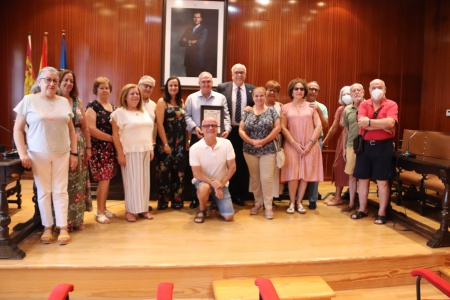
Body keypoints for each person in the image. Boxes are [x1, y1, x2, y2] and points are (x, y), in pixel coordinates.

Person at [13, 66, 78, 245]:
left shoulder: (64, 102)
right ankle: (47, 227)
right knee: (44, 191)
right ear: (39, 82)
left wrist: (74, 153)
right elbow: (17, 130)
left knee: (60, 190)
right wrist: (22, 153)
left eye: (55, 80)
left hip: (62, 152)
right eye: (47, 80)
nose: (51, 83)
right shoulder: (29, 100)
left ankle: (62, 226)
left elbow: (71, 130)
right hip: (37, 153)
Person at [351, 79, 398, 225]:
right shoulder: (364, 104)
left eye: (379, 87)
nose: (376, 89)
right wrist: (382, 125)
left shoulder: (391, 104)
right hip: (365, 147)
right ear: (369, 90)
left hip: (383, 147)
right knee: (363, 180)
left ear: (385, 89)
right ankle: (362, 209)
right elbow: (361, 123)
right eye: (374, 87)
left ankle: (381, 212)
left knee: (382, 181)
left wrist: (369, 122)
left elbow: (391, 123)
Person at [185, 71, 231, 208]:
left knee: (218, 167)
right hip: (198, 137)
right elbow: (186, 116)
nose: (206, 84)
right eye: (203, 82)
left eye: (209, 81)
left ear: (212, 83)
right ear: (199, 83)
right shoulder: (191, 98)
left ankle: (217, 199)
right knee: (197, 168)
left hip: (217, 139)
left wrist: (227, 129)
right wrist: (195, 128)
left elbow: (226, 116)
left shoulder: (220, 97)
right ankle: (196, 199)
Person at [111, 84, 154, 222]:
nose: (135, 96)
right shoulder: (119, 113)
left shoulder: (144, 111)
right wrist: (120, 154)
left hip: (145, 149)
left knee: (144, 181)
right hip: (130, 151)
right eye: (132, 94)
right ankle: (130, 210)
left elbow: (149, 131)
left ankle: (142, 209)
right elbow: (115, 136)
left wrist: (151, 147)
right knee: (132, 182)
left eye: (137, 93)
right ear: (125, 96)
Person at [281, 78, 323, 214]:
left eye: (301, 89)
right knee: (293, 175)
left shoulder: (311, 107)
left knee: (305, 175)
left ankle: (299, 202)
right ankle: (291, 202)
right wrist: (294, 143)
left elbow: (319, 126)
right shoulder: (285, 108)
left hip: (309, 145)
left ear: (304, 91)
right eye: (296, 89)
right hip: (292, 145)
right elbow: (283, 127)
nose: (299, 91)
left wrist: (310, 143)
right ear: (291, 91)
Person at [239, 87, 281, 219]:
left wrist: (264, 141)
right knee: (255, 178)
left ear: (265, 96)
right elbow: (241, 130)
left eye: (261, 95)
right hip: (250, 150)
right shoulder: (247, 112)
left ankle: (268, 206)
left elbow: (277, 128)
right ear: (253, 98)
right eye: (256, 96)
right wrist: (251, 141)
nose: (259, 98)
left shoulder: (272, 111)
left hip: (268, 149)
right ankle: (258, 203)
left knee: (266, 178)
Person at [58, 69, 92, 231]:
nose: (68, 83)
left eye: (71, 81)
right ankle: (61, 221)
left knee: (77, 183)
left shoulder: (77, 101)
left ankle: (76, 219)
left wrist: (89, 147)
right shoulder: (54, 100)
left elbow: (85, 128)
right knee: (62, 183)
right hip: (60, 145)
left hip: (79, 147)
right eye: (65, 80)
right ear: (58, 81)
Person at [217, 63, 255, 206]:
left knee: (242, 164)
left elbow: (258, 106)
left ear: (245, 74)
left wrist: (251, 108)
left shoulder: (252, 89)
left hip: (245, 132)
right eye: (236, 72)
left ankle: (239, 194)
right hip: (228, 132)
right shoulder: (222, 88)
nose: (239, 75)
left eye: (242, 72)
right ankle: (227, 193)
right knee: (226, 163)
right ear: (232, 74)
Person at [189, 117, 236, 223]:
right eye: (206, 126)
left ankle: (215, 201)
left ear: (218, 128)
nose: (210, 128)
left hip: (221, 183)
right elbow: (197, 174)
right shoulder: (194, 148)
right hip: (203, 182)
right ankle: (202, 209)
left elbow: (232, 167)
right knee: (204, 187)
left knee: (229, 217)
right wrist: (214, 184)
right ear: (201, 128)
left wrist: (221, 184)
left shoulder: (227, 144)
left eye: (214, 125)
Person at [86, 77, 118, 224]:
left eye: (107, 88)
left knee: (107, 179)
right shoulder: (92, 107)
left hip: (111, 149)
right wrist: (112, 139)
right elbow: (91, 129)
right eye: (101, 88)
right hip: (99, 149)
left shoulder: (114, 107)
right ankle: (99, 212)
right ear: (96, 90)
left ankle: (103, 208)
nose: (105, 90)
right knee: (103, 179)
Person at [155, 76, 188, 210]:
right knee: (164, 173)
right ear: (167, 87)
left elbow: (185, 123)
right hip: (166, 143)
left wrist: (187, 140)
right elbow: (159, 124)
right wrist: (165, 144)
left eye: (176, 85)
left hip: (180, 143)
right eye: (171, 85)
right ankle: (163, 201)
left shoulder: (181, 101)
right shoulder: (162, 101)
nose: (173, 87)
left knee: (179, 172)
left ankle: (177, 200)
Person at [322, 86, 351, 206]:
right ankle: (338, 195)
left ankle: (349, 196)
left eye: (349, 93)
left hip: (357, 141)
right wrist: (323, 142)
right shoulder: (341, 109)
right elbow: (333, 128)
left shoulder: (361, 107)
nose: (347, 96)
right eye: (344, 94)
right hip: (342, 141)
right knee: (339, 166)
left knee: (355, 170)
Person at [303, 81, 328, 210]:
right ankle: (297, 198)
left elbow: (325, 125)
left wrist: (318, 111)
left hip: (316, 141)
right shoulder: (299, 103)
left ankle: (312, 199)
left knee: (314, 170)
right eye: (310, 89)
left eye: (316, 90)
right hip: (300, 142)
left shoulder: (321, 107)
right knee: (299, 169)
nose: (313, 91)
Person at [341, 83, 365, 213]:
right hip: (351, 145)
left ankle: (362, 206)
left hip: (366, 145)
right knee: (352, 176)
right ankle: (351, 204)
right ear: (350, 94)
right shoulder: (347, 109)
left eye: (358, 90)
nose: (356, 92)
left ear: (363, 92)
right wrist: (344, 147)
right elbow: (345, 130)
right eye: (353, 91)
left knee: (363, 177)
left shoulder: (369, 106)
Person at [138, 75, 157, 211]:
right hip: (133, 145)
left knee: (145, 177)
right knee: (134, 177)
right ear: (139, 85)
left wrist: (153, 144)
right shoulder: (130, 100)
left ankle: (143, 204)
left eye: (150, 87)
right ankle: (133, 205)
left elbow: (155, 126)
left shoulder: (153, 105)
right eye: (145, 85)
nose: (148, 89)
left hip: (148, 146)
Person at [265, 80, 284, 201]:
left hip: (276, 141)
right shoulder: (259, 103)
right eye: (270, 89)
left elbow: (282, 125)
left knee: (274, 170)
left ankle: (271, 199)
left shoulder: (281, 107)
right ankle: (261, 198)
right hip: (260, 141)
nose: (272, 92)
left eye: (275, 91)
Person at [179, 11, 208, 77]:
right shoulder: (188, 30)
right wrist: (191, 41)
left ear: (201, 19)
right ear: (192, 18)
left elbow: (199, 44)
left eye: (198, 17)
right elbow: (181, 43)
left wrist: (187, 41)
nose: (196, 19)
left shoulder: (204, 30)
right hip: (188, 60)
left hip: (197, 62)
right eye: (194, 17)